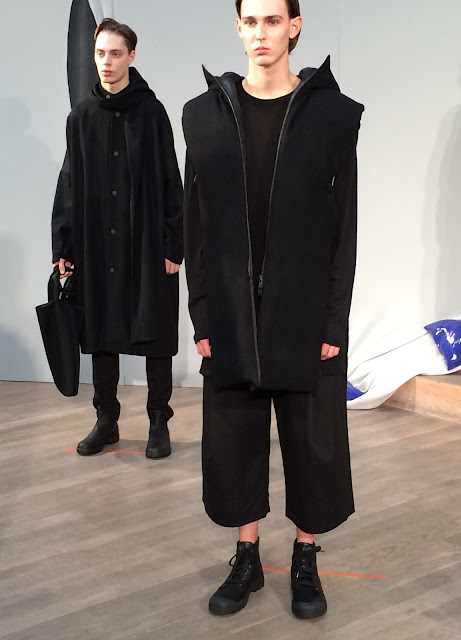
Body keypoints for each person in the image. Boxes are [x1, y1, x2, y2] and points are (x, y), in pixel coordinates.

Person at [183, 0, 364, 619]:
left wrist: (333, 320)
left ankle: (306, 557)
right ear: (238, 28)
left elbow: (345, 229)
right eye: (250, 21)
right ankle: (247, 556)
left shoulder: (333, 116)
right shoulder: (202, 115)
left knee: (313, 442)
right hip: (229, 312)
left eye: (272, 20)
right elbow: (196, 226)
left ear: (295, 26)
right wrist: (201, 315)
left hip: (305, 311)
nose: (260, 33)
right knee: (235, 439)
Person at [52, 18, 183, 458]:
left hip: (145, 243)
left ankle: (158, 420)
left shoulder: (152, 112)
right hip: (97, 243)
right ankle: (106, 420)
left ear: (131, 56)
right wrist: (63, 246)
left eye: (115, 53)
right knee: (101, 331)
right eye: (99, 54)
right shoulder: (81, 118)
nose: (106, 62)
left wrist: (174, 243)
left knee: (155, 329)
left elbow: (170, 179)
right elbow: (68, 182)